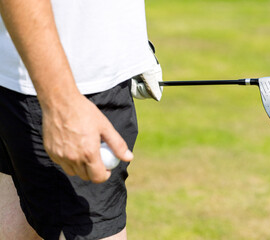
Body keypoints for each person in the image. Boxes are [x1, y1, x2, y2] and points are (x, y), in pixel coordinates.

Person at [0, 0, 162, 239]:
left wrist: (131, 43)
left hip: (30, 73)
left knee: (18, 222)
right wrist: (61, 102)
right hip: (67, 82)